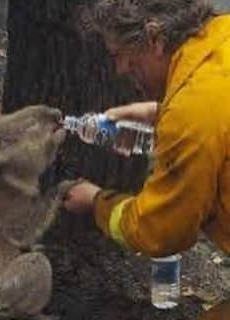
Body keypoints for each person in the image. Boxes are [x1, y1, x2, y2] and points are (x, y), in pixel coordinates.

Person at [63, 1, 230, 319]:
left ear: (154, 39)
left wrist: (97, 202)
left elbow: (161, 231)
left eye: (120, 55)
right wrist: (161, 113)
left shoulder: (193, 113)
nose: (120, 69)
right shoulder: (223, 41)